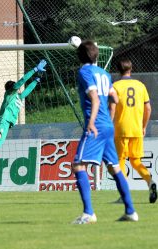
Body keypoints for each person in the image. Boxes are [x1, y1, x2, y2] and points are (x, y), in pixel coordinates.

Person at [72, 40, 138, 224]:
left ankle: (88, 213)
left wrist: (92, 121)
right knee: (114, 167)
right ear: (96, 55)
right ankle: (131, 211)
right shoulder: (104, 73)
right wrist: (109, 118)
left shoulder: (85, 71)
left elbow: (94, 98)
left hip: (96, 126)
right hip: (107, 126)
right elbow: (115, 98)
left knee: (78, 165)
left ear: (79, 56)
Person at [110, 58, 156, 203]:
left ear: (118, 70)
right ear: (131, 69)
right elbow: (148, 108)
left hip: (121, 129)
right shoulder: (140, 86)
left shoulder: (115, 86)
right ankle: (150, 181)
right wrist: (143, 126)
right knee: (136, 161)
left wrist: (108, 125)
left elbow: (112, 108)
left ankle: (124, 195)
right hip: (136, 129)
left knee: (119, 161)